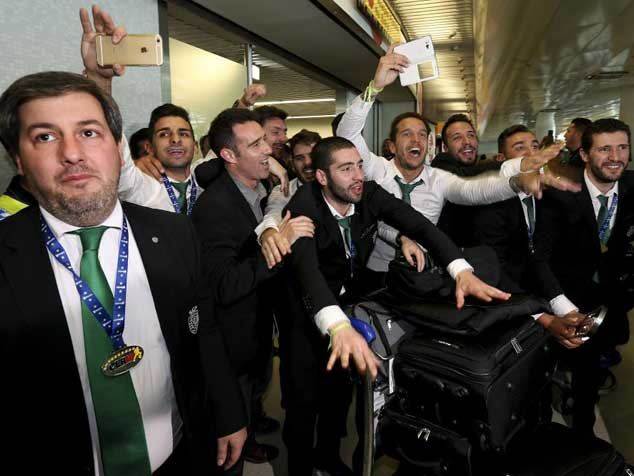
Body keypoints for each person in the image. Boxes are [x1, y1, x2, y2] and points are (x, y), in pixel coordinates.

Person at [0, 70, 247, 475]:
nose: (72, 153)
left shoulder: (175, 233)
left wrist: (229, 412)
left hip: (180, 453)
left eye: (89, 133)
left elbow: (205, 330)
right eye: (44, 136)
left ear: (118, 148)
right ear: (18, 160)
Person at [280, 136, 514, 476]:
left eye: (359, 165)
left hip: (348, 302)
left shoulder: (368, 192)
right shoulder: (304, 205)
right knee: (303, 401)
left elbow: (419, 225)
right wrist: (338, 326)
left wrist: (460, 270)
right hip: (306, 309)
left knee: (338, 393)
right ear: (322, 177)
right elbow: (307, 272)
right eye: (345, 169)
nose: (357, 176)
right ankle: (300, 468)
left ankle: (328, 457)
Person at [335, 45, 575, 284]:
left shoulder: (439, 179)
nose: (416, 139)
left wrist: (516, 181)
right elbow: (346, 136)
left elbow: (474, 190)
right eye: (407, 134)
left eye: (422, 135)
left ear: (429, 144)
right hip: (378, 274)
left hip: (423, 275)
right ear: (392, 146)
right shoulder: (375, 169)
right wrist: (375, 87)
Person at [191, 108, 314, 473]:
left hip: (257, 331)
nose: (268, 150)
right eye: (256, 144)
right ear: (229, 155)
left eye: (265, 140)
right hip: (232, 343)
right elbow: (224, 286)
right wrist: (277, 246)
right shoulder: (214, 208)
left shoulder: (257, 188)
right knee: (230, 438)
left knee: (248, 411)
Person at [532, 118, 634, 435]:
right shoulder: (560, 195)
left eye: (622, 147)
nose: (615, 157)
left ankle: (584, 433)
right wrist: (561, 306)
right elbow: (540, 258)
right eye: (605, 149)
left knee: (589, 380)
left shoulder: (633, 188)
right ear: (586, 155)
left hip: (612, 302)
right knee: (555, 374)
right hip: (567, 302)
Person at [468, 124, 586, 348]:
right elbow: (494, 269)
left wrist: (565, 309)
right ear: (503, 160)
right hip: (499, 303)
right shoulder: (491, 205)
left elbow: (538, 257)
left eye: (535, 146)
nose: (532, 154)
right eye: (520, 148)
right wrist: (543, 317)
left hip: (535, 289)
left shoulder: (546, 199)